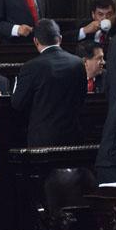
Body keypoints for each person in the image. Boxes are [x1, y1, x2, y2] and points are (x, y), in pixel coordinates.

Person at [11, 19, 87, 147]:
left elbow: (17, 103)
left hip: (43, 140)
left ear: (36, 41)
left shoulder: (31, 67)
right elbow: (82, 97)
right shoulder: (78, 63)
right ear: (60, 39)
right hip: (73, 136)